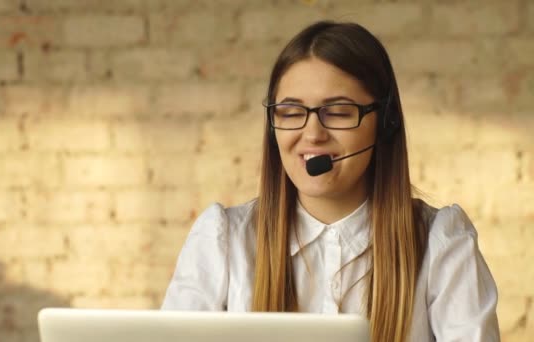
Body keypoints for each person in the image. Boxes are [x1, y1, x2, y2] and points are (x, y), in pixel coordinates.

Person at [161, 21, 500, 342]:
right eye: (291, 113)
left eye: (337, 112)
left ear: (385, 123)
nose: (312, 134)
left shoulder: (442, 244)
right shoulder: (224, 242)